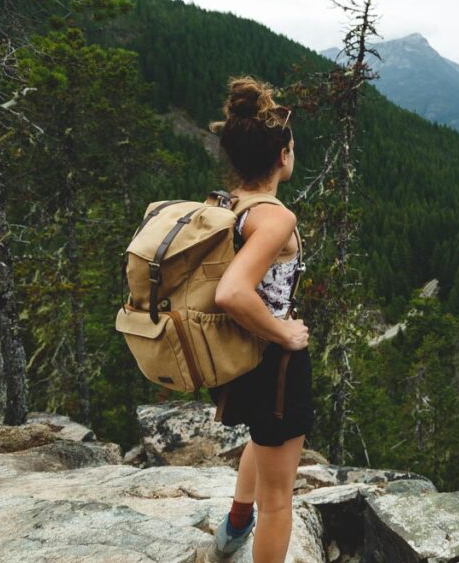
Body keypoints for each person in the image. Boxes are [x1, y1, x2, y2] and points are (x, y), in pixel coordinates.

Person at [205, 76, 313, 561]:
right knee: (279, 501)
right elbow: (231, 292)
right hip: (274, 365)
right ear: (282, 156)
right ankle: (245, 525)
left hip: (241, 355)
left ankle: (233, 526)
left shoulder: (231, 204)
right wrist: (283, 332)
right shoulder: (275, 217)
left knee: (262, 443)